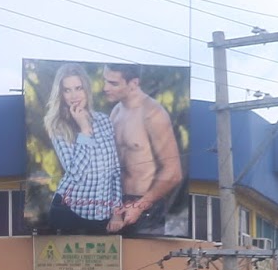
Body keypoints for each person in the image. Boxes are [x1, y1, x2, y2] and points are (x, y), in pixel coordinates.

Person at [103, 64, 183, 235]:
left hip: (146, 207)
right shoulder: (116, 112)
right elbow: (111, 166)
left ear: (133, 83)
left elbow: (173, 172)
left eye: (113, 83)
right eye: (105, 81)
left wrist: (140, 206)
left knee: (145, 260)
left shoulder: (153, 114)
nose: (105, 88)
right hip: (117, 205)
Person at [43, 63, 121, 233]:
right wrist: (84, 129)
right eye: (67, 90)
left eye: (78, 88)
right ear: (61, 94)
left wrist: (116, 213)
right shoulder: (57, 126)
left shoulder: (104, 121)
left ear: (86, 89)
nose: (74, 95)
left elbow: (114, 171)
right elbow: (76, 174)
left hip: (103, 215)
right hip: (69, 211)